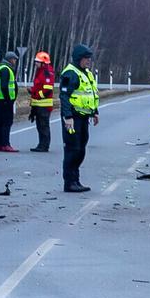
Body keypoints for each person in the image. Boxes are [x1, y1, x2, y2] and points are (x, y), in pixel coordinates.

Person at [59, 44, 99, 192]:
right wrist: (68, 117)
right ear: (78, 58)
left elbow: (91, 94)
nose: (88, 61)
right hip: (73, 118)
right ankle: (69, 182)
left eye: (89, 58)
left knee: (81, 149)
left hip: (83, 118)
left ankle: (76, 180)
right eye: (85, 58)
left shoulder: (86, 73)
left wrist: (95, 111)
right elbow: (64, 96)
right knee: (72, 150)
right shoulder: (70, 73)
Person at [0, 50, 20, 152]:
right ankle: (5, 144)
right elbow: (4, 86)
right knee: (7, 122)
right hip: (4, 101)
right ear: (10, 59)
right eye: (14, 59)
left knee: (0, 122)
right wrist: (8, 99)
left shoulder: (3, 68)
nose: (15, 61)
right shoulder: (6, 69)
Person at [28, 51, 56, 152]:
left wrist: (36, 95)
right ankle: (41, 144)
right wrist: (32, 90)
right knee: (40, 126)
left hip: (44, 105)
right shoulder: (40, 71)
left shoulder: (47, 72)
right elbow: (39, 86)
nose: (35, 63)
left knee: (43, 126)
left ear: (43, 63)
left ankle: (44, 145)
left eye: (37, 62)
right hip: (38, 104)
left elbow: (47, 90)